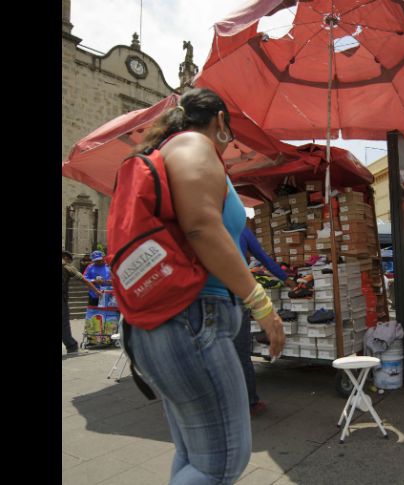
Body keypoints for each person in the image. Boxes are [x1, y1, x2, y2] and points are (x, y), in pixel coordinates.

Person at [121, 88, 285, 484]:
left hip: (169, 321)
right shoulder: (195, 145)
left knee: (196, 455)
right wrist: (262, 305)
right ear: (220, 121)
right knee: (221, 463)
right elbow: (200, 226)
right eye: (230, 132)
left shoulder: (168, 149)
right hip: (194, 320)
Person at [236, 224, 296, 417]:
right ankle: (251, 403)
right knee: (241, 355)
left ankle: (226, 403)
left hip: (209, 298)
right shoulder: (240, 227)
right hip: (237, 293)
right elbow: (264, 258)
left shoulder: (204, 221)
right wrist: (285, 278)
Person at [62, 250, 102, 354]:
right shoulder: (66, 266)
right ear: (66, 257)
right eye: (69, 261)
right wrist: (97, 291)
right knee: (64, 323)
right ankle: (72, 347)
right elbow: (83, 279)